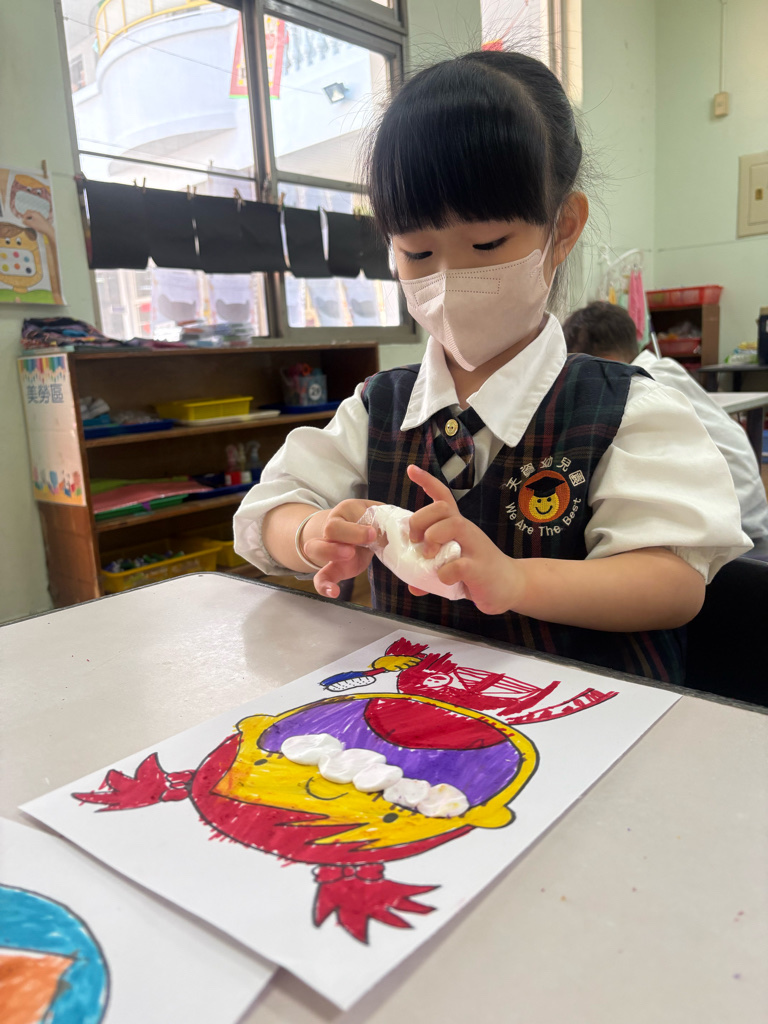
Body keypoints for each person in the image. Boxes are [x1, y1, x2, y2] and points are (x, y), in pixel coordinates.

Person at [235, 50, 750, 685]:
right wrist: (313, 532)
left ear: (562, 229)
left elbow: (673, 583)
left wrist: (515, 580)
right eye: (417, 252)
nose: (449, 277)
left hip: (582, 715)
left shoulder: (627, 412)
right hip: (423, 713)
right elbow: (269, 510)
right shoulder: (378, 409)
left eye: (487, 245)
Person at [563, 301, 768, 553]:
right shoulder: (663, 369)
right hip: (745, 512)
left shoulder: (634, 386)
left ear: (595, 359)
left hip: (732, 533)